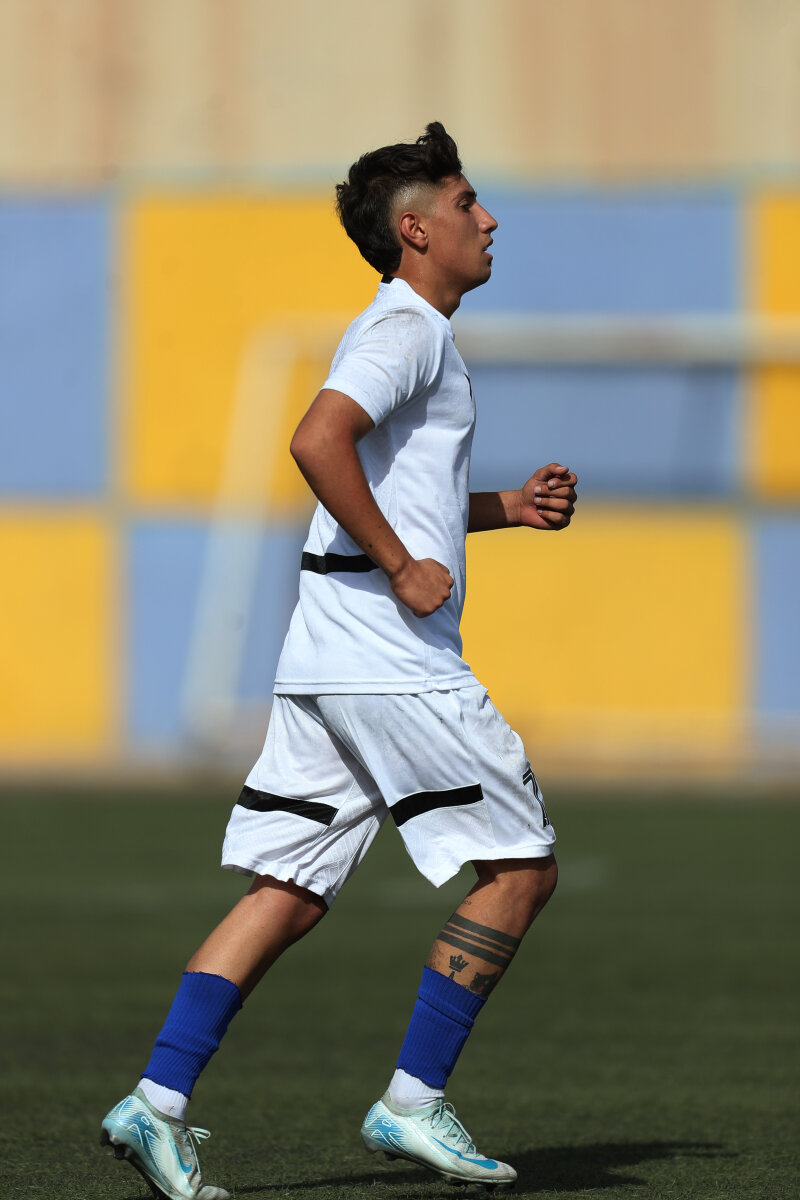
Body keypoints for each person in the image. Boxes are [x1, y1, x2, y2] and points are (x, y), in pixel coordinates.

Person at [100, 121, 577, 1199]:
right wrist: (404, 567)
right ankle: (412, 1100)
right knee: (521, 870)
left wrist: (502, 509)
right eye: (465, 203)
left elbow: (393, 485)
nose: (488, 218)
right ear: (416, 231)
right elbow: (317, 440)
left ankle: (154, 1103)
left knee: (290, 889)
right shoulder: (406, 329)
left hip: (325, 655)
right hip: (387, 661)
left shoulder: (404, 330)